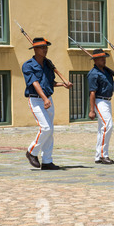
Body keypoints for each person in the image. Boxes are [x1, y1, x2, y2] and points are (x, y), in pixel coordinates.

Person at [23, 37, 73, 170]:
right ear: (35, 49)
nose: (45, 50)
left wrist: (63, 84)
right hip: (36, 100)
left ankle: (47, 161)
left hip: (48, 99)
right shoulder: (28, 65)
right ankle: (31, 152)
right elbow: (35, 83)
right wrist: (44, 99)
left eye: (46, 47)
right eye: (42, 47)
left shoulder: (48, 64)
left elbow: (49, 83)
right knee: (45, 128)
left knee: (50, 131)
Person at [87, 49, 114, 165]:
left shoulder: (106, 71)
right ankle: (104, 155)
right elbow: (92, 92)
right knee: (108, 125)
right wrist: (91, 110)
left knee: (102, 129)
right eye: (101, 58)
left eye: (104, 58)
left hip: (107, 101)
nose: (104, 60)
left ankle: (98, 156)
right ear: (95, 60)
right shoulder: (93, 74)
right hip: (100, 101)